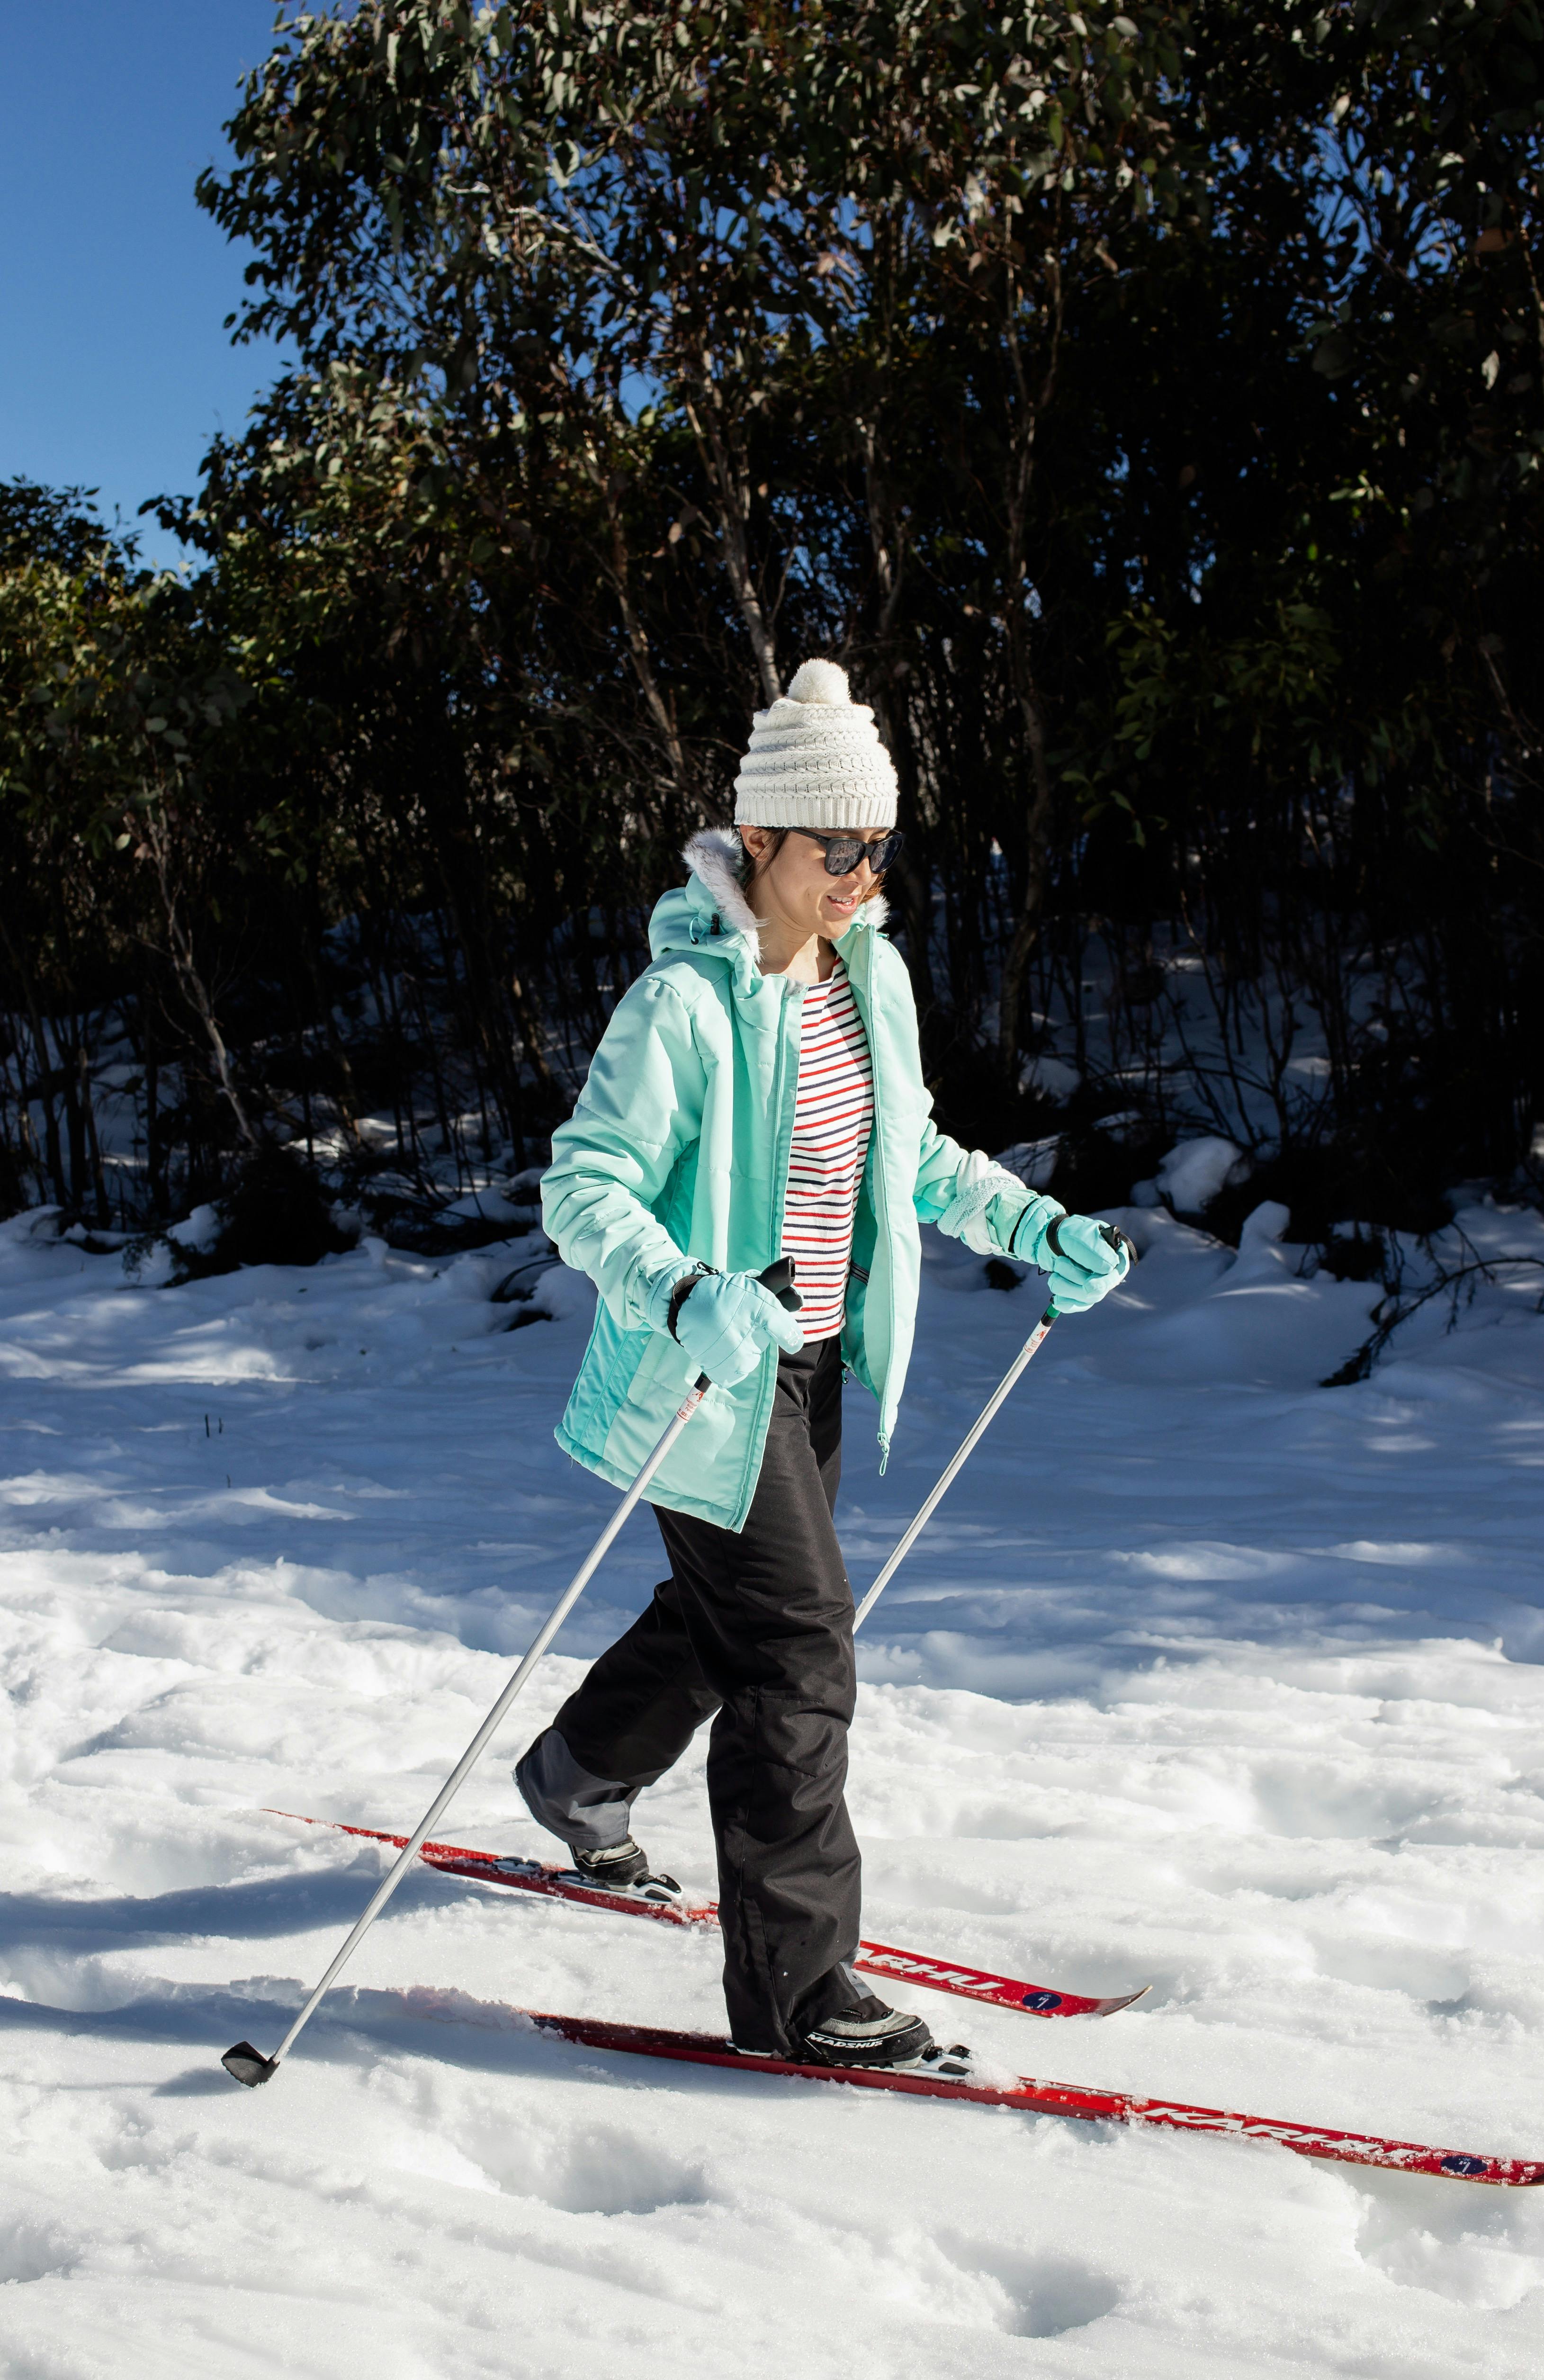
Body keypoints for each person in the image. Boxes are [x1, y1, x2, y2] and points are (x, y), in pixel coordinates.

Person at [517, 658, 1129, 2069]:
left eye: (878, 845)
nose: (860, 871)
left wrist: (1033, 1222)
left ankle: (576, 1774)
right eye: (836, 846)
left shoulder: (873, 977)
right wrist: (683, 1293)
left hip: (813, 1367)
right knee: (798, 1646)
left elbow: (902, 1151)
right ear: (763, 839)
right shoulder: (682, 1004)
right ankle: (799, 1993)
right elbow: (583, 1188)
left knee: (728, 1614)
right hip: (699, 1372)